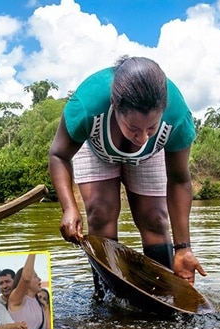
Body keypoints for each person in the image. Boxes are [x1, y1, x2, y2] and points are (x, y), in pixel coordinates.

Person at [48, 56, 206, 296]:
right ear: (115, 105)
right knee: (101, 212)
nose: (142, 137)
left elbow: (179, 180)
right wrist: (69, 207)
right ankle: (107, 297)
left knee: (154, 217)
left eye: (150, 128)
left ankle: (162, 295)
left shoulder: (177, 117)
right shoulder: (86, 106)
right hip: (96, 146)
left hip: (149, 156)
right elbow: (58, 154)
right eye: (133, 128)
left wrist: (183, 248)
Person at [8, 254, 50, 329]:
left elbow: (49, 327)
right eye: (35, 276)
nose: (39, 279)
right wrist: (33, 251)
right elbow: (26, 278)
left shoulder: (40, 303)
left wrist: (46, 308)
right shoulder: (16, 299)